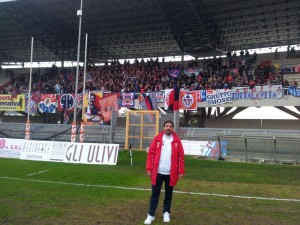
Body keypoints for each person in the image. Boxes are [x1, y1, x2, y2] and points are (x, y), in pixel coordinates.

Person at [144, 120, 185, 224]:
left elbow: (181, 157)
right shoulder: (157, 139)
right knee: (155, 194)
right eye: (166, 126)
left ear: (173, 128)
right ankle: (151, 215)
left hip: (171, 173)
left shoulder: (177, 141)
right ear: (163, 127)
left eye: (170, 126)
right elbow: (150, 154)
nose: (168, 128)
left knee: (168, 195)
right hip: (157, 172)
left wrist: (180, 170)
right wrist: (149, 168)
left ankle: (166, 212)